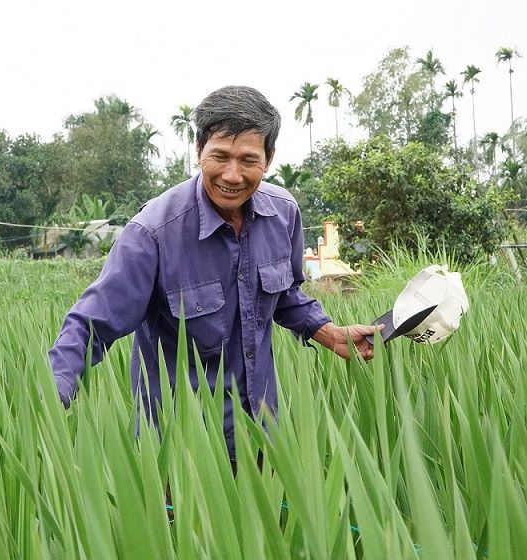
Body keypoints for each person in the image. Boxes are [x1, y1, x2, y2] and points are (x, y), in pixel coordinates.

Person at [48, 85, 382, 458]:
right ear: (198, 151)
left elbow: (283, 295)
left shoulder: (283, 214)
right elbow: (91, 324)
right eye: (219, 156)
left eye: (248, 160)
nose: (232, 175)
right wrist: (51, 394)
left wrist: (329, 334)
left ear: (269, 158)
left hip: (262, 438)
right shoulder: (153, 233)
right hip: (181, 451)